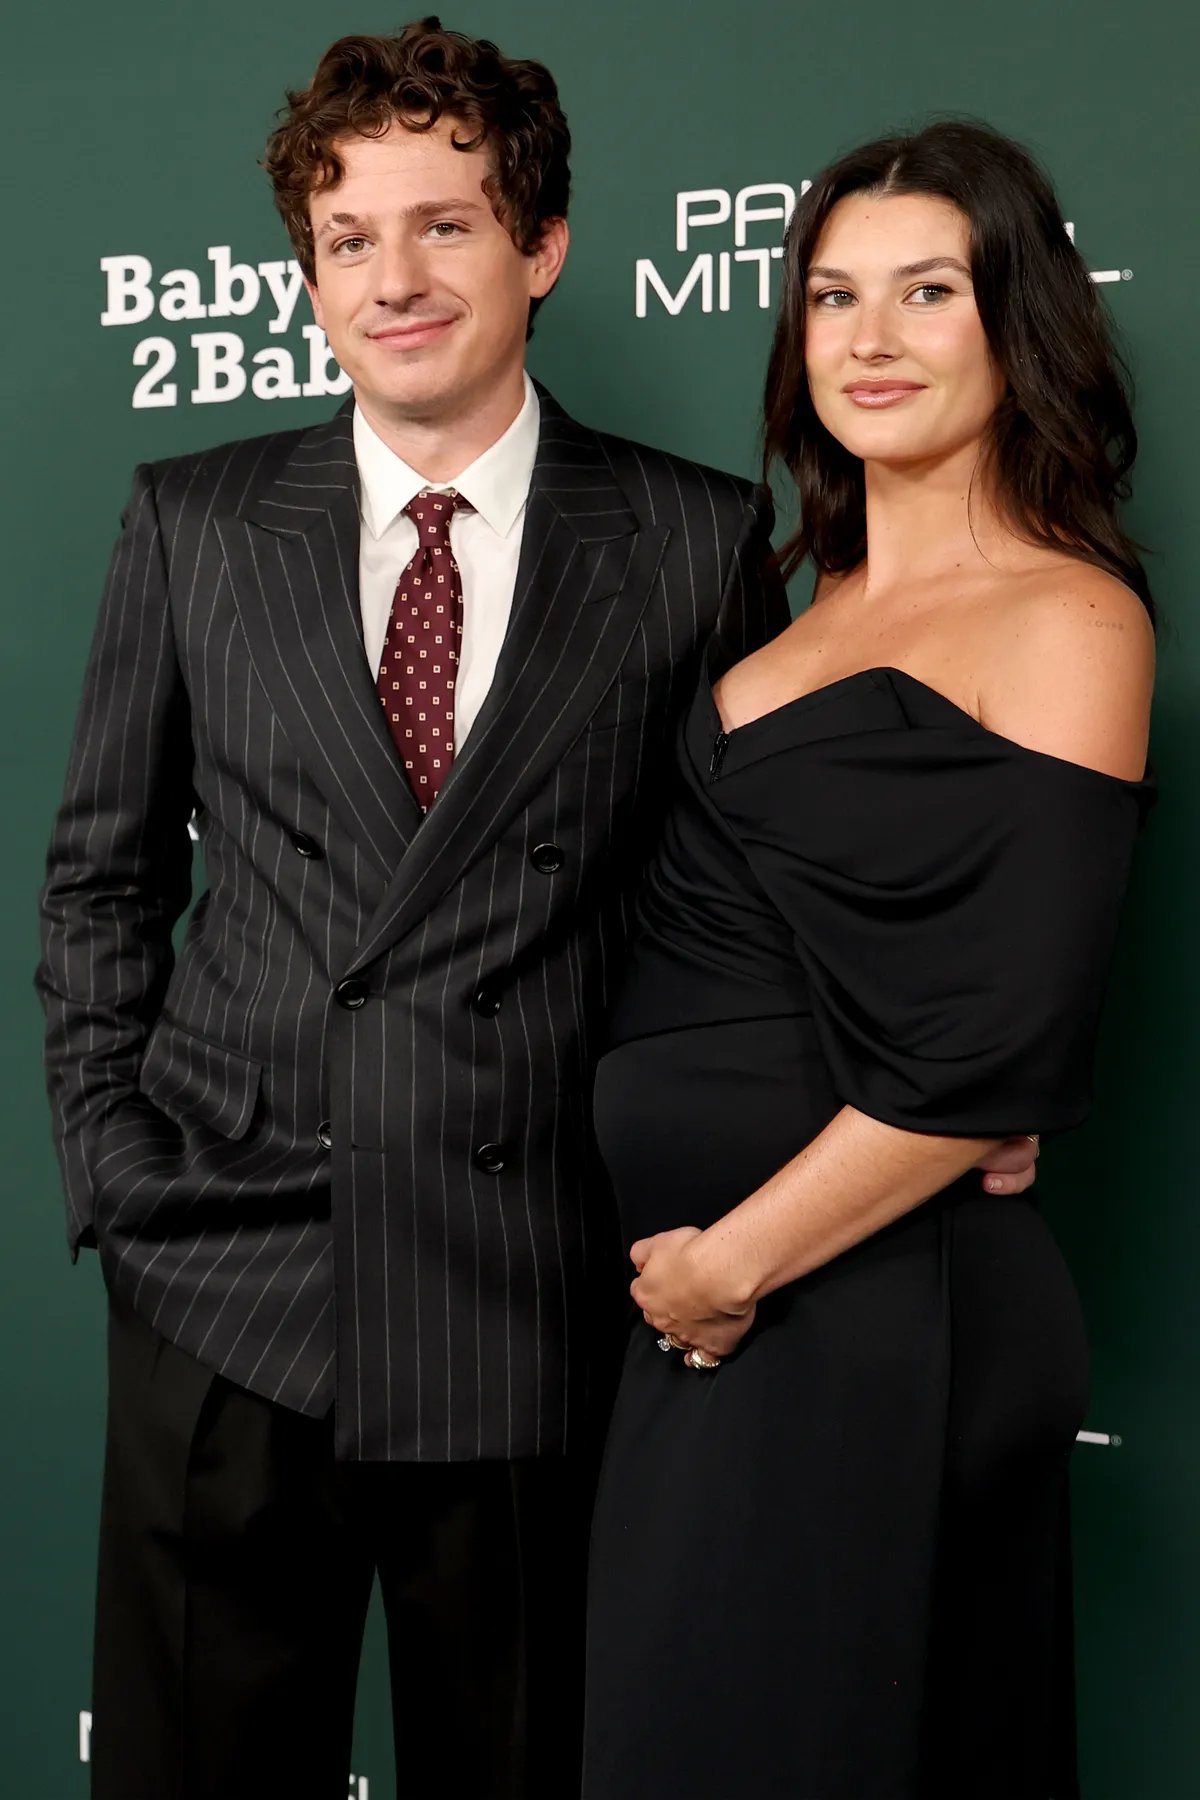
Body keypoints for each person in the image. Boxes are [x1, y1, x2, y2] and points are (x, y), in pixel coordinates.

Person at [36, 21, 1038, 1796]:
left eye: (446, 225)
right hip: (223, 1287)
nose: (395, 279)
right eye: (351, 240)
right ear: (309, 273)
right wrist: (118, 1175)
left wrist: (955, 1068)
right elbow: (101, 878)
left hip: (536, 1301)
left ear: (543, 246)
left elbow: (751, 894)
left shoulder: (686, 536)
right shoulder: (192, 521)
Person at [583, 120, 1154, 1800]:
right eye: (834, 296)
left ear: (1017, 319)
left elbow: (995, 1045)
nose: (872, 338)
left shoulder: (1069, 615)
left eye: (928, 290)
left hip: (856, 1306)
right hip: (728, 1311)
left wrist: (734, 1263)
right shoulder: (793, 608)